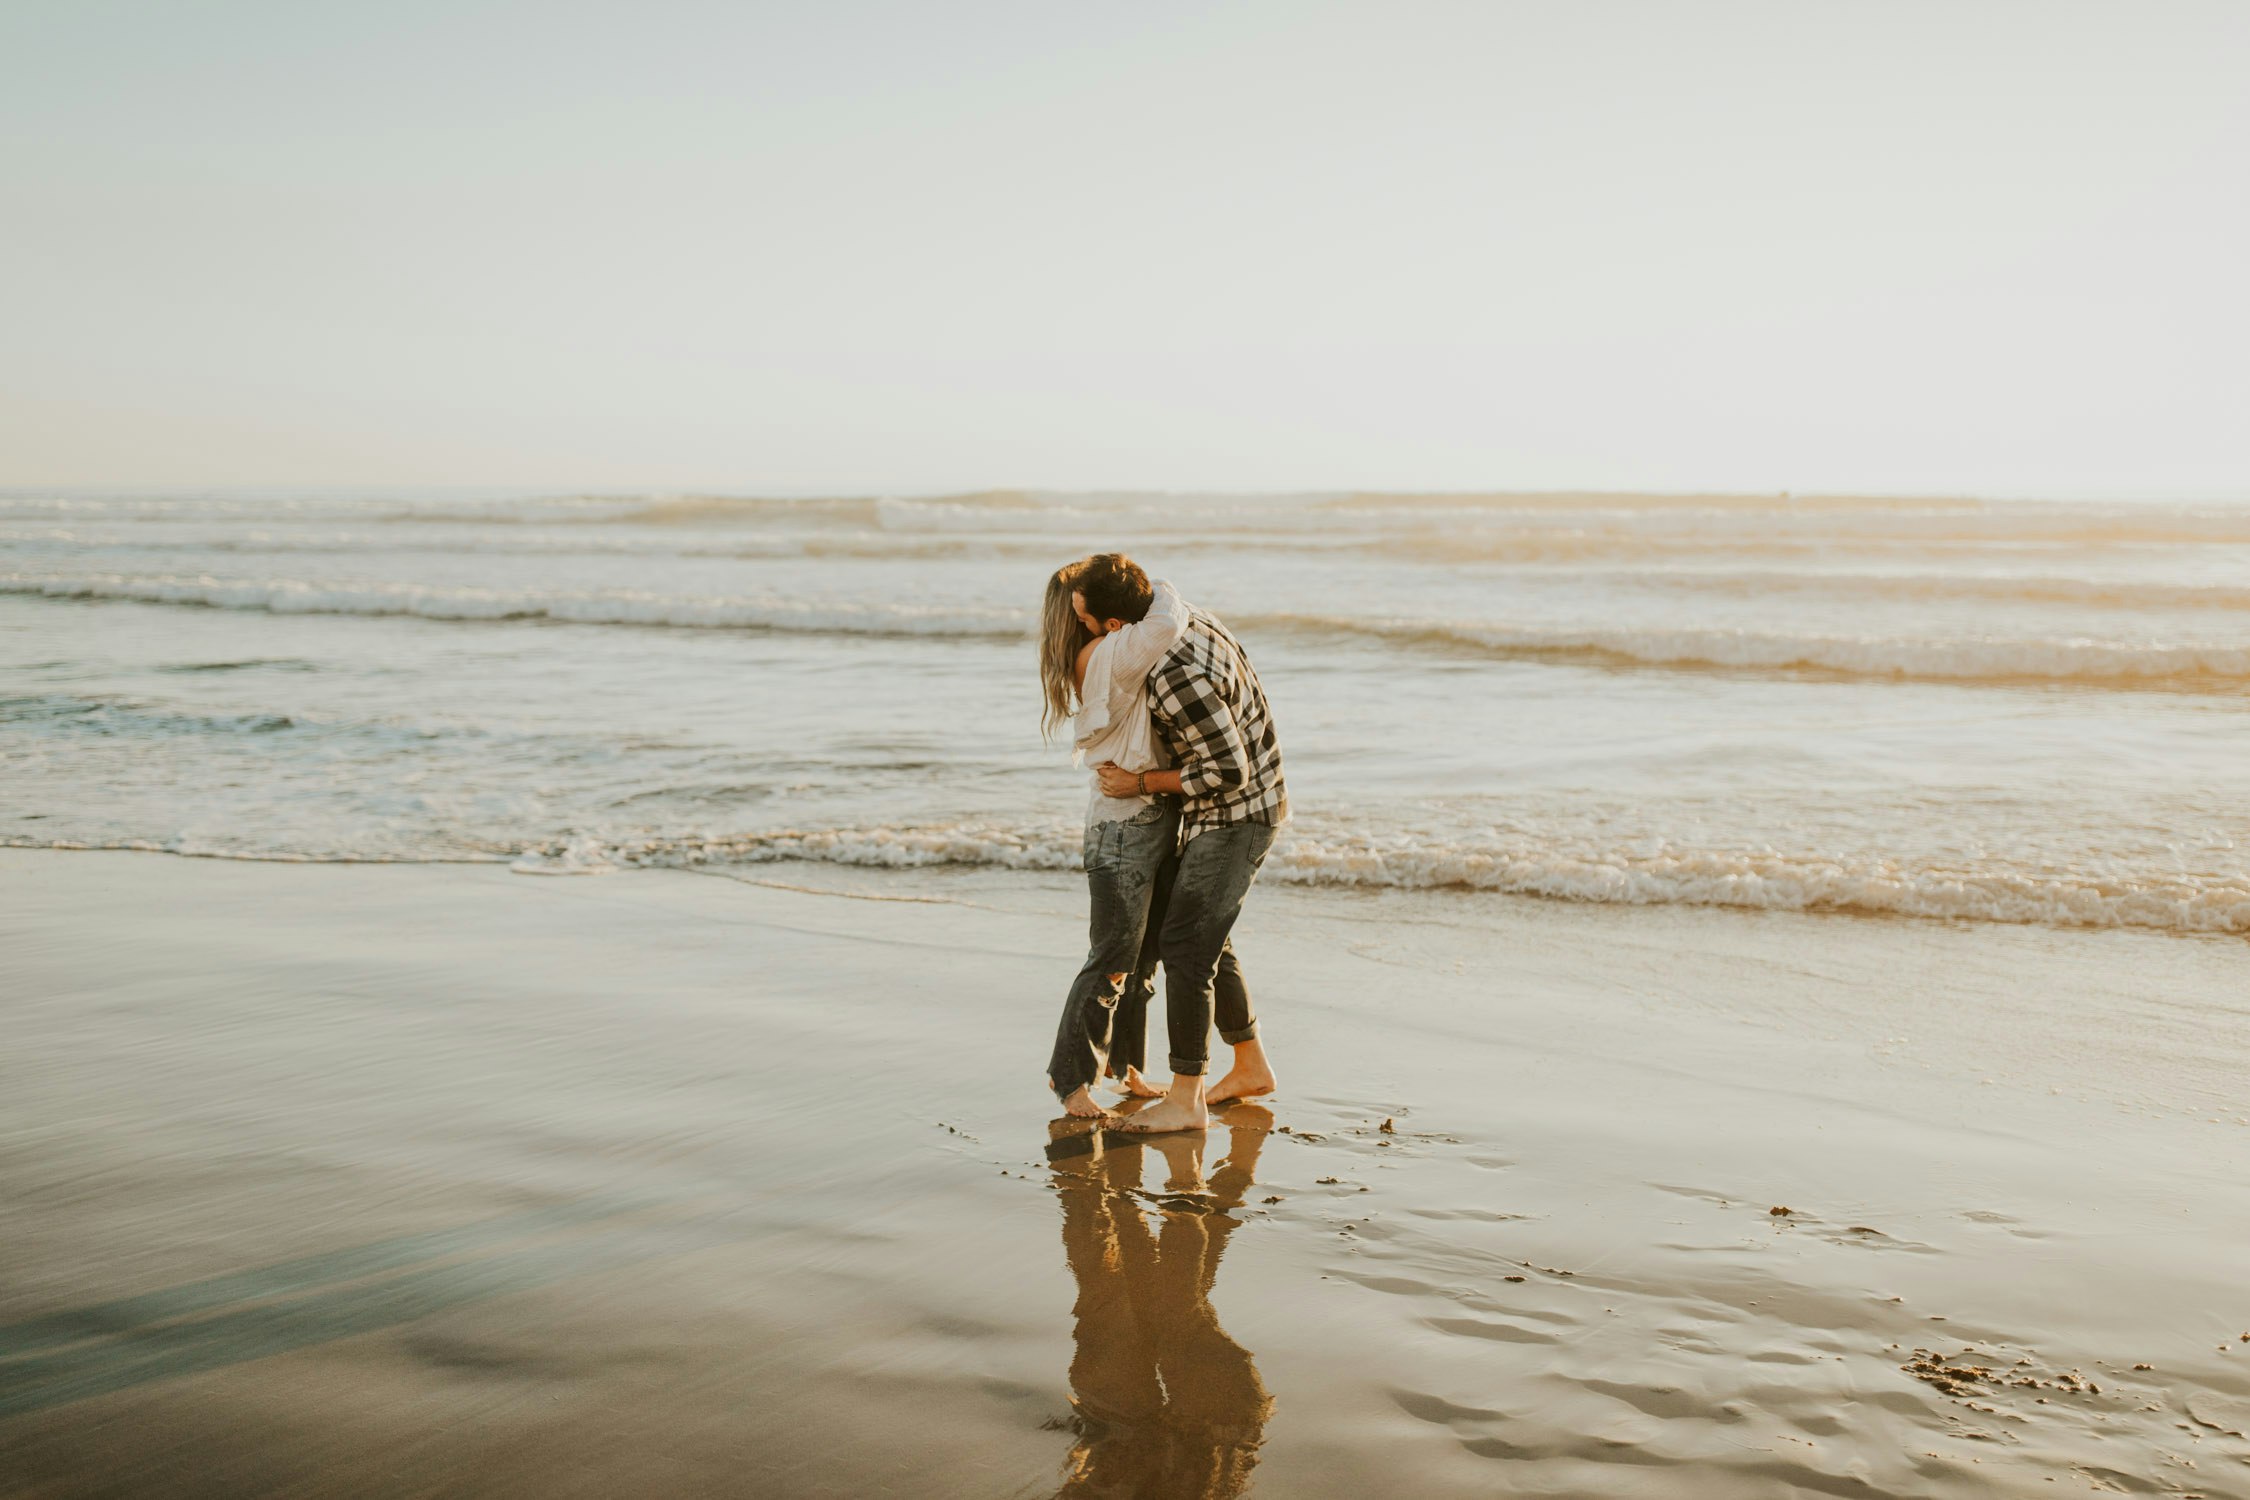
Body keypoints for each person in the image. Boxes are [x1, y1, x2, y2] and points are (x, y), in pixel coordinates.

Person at [1086, 560, 1287, 1134]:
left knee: (1185, 951)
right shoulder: (1176, 616)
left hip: (1238, 814)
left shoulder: (1173, 670)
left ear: (1118, 624)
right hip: (1221, 811)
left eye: (1090, 626)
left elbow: (1228, 769)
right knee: (1204, 938)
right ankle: (1250, 1066)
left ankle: (1186, 1097)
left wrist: (1139, 783)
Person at [1038, 555, 1191, 1120]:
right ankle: (1070, 1079)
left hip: (1148, 817)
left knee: (1142, 956)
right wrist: (1156, 586)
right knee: (1112, 958)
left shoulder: (1108, 646)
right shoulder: (1107, 654)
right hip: (1121, 830)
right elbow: (1169, 620)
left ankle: (1127, 1067)